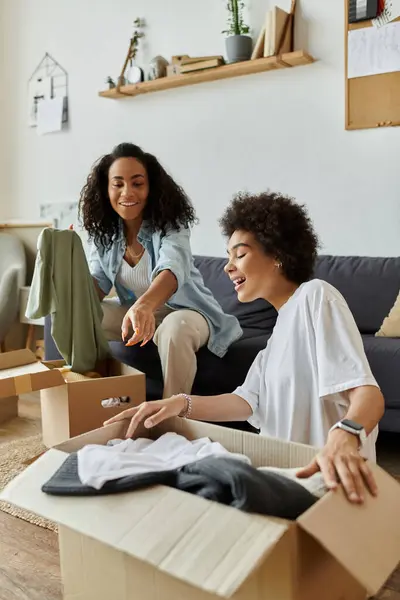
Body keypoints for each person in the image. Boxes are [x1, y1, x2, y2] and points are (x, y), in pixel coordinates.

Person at [105, 191, 385, 504]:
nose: (228, 267)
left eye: (239, 254)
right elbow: (244, 402)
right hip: (284, 482)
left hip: (329, 487)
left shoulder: (316, 297)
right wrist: (176, 403)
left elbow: (368, 395)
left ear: (277, 253)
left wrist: (345, 434)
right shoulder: (275, 338)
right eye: (228, 257)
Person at [79, 142, 242, 397]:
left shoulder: (172, 225)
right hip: (139, 313)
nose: (127, 192)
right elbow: (97, 285)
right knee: (85, 315)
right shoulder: (105, 234)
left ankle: (171, 416)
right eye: (118, 183)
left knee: (174, 327)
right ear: (106, 188)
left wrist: (144, 306)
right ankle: (92, 396)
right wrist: (67, 266)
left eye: (137, 183)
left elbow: (171, 268)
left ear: (151, 186)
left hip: (188, 312)